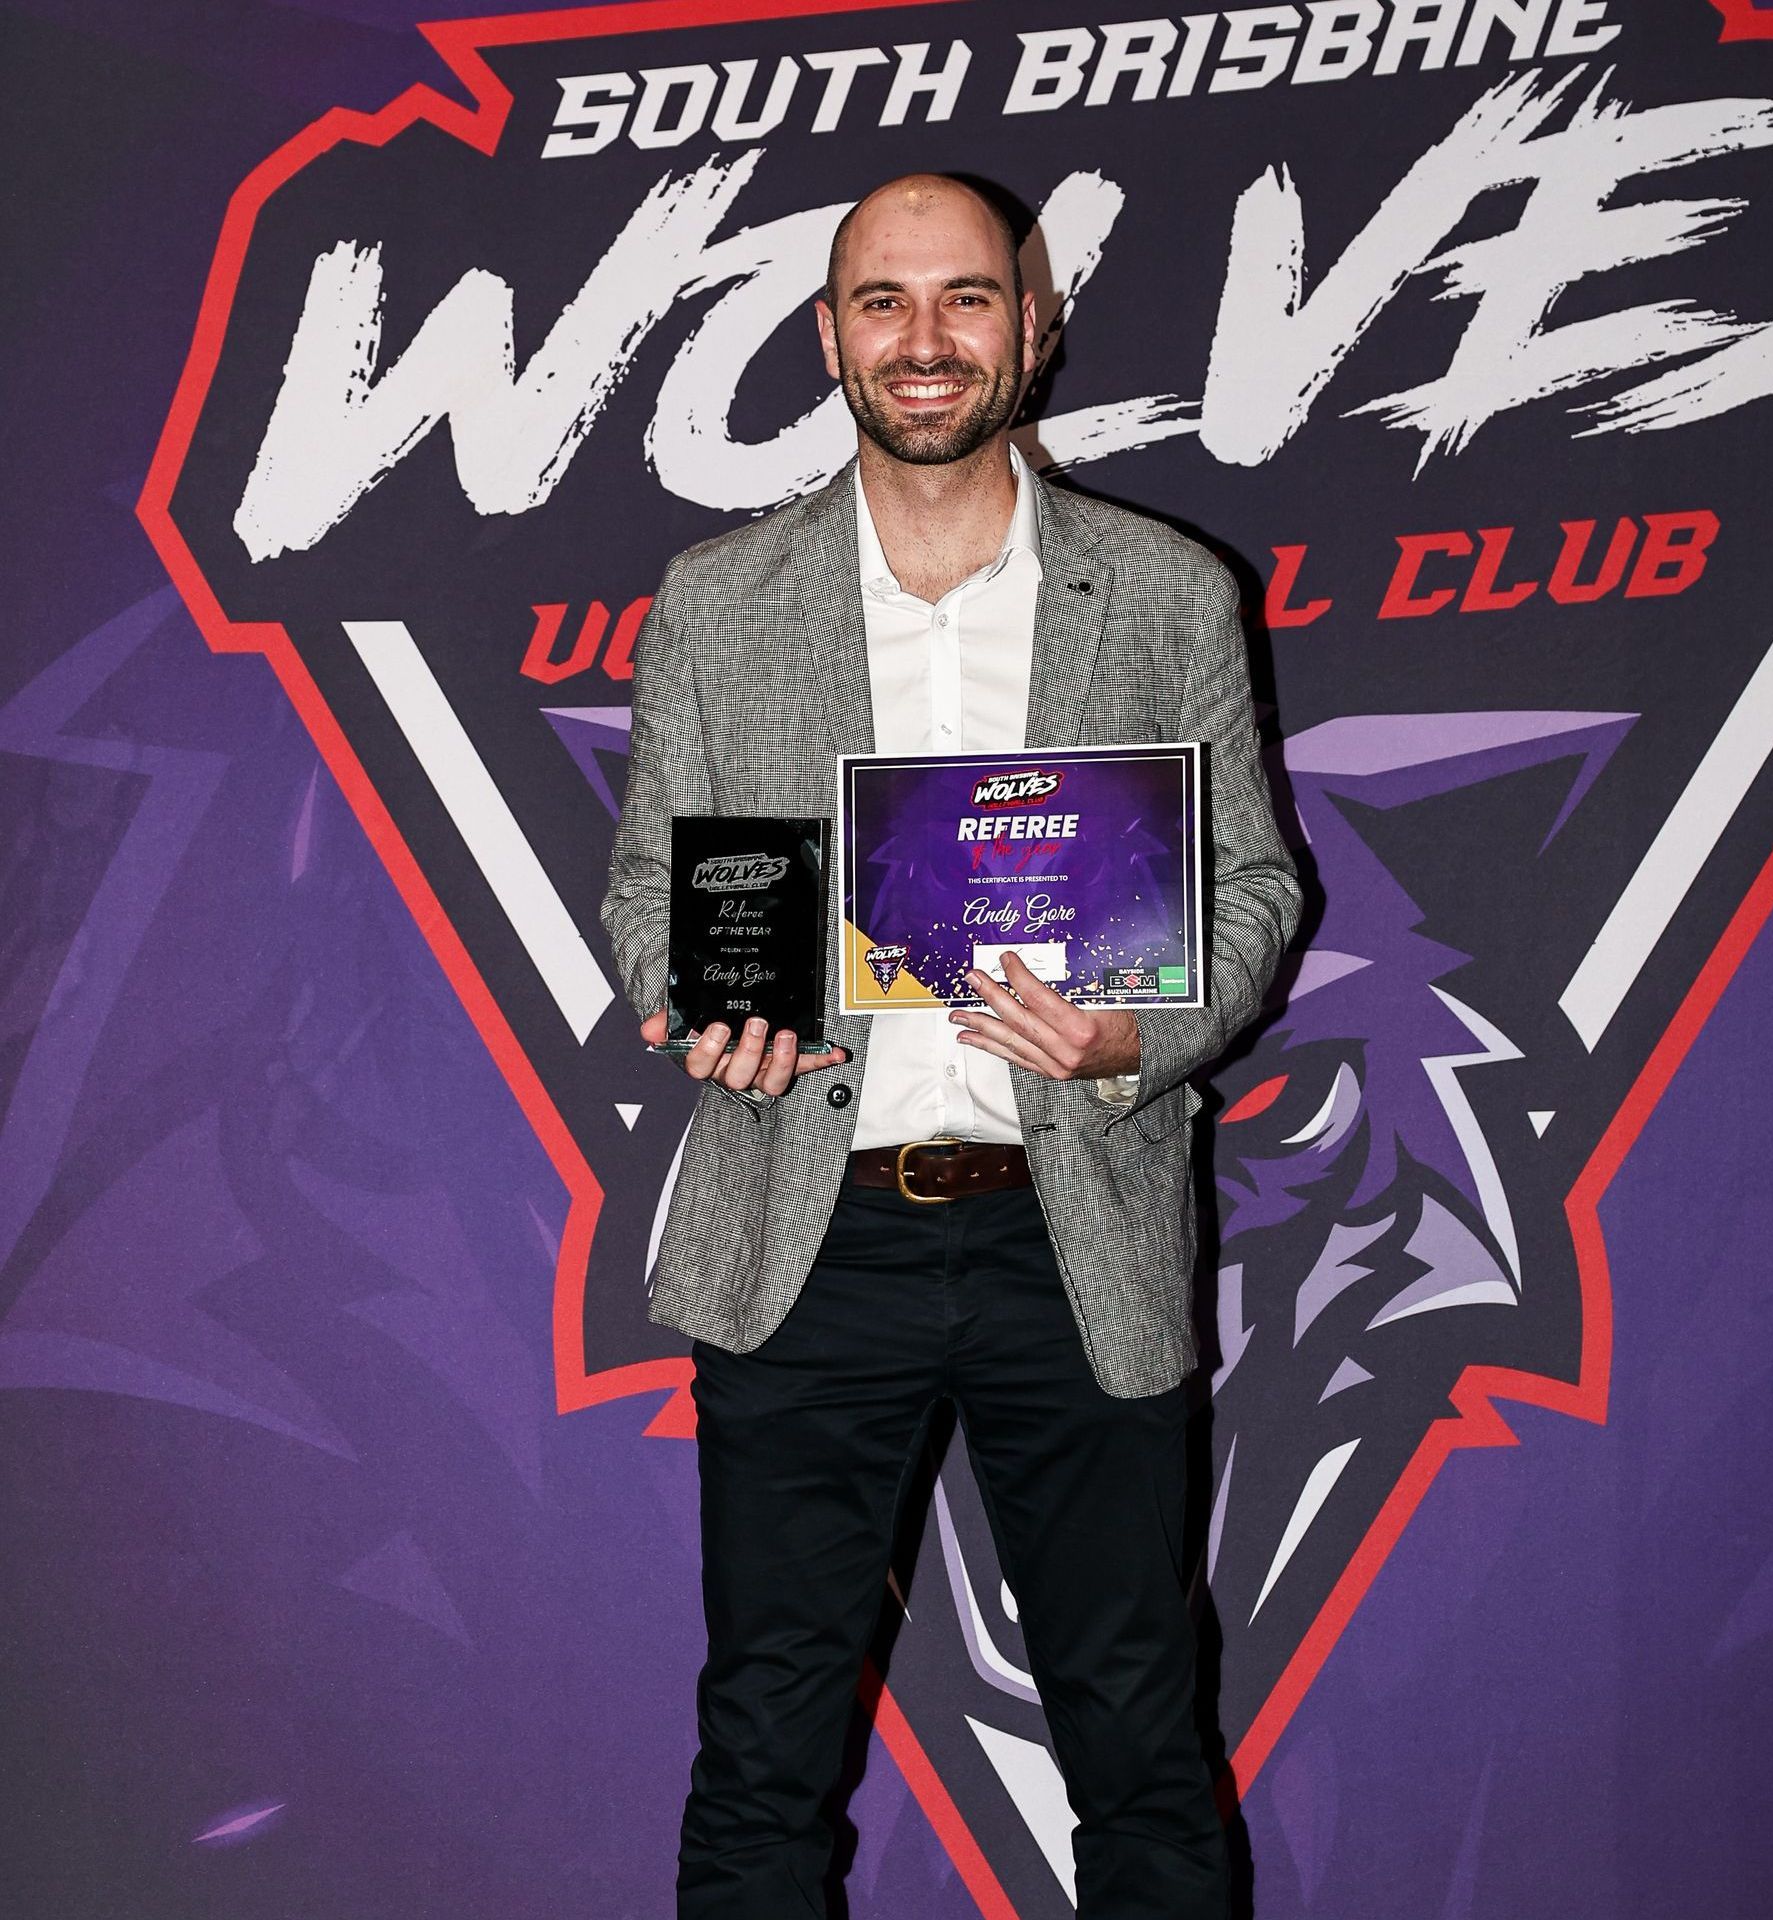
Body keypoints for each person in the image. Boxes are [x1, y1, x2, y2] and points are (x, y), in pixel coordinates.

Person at [600, 172, 1301, 1919]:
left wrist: (1136, 1032)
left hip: (1078, 1231)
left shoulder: (1161, 591)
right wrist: (693, 998)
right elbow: (646, 884)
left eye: (967, 299)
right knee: (762, 1747)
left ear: (1033, 324)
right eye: (886, 302)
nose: (926, 341)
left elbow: (1258, 891)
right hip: (801, 1233)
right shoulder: (715, 597)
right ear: (830, 334)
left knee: (1138, 1739)